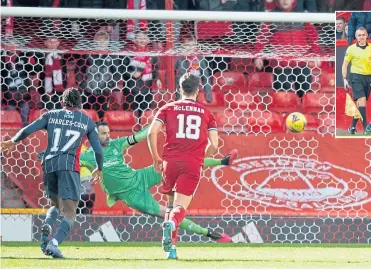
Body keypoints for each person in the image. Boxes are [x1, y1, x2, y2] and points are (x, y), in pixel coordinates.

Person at [76, 122, 236, 242]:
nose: (107, 136)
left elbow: (140, 136)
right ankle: (209, 234)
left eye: (108, 132)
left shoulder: (116, 144)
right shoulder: (87, 157)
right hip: (131, 195)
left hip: (139, 176)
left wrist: (158, 121)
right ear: (94, 136)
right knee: (166, 213)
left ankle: (222, 161)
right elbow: (69, 162)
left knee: (180, 160)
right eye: (103, 133)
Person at [0, 88, 104, 258]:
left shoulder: (51, 115)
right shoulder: (87, 121)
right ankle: (53, 244)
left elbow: (27, 130)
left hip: (48, 165)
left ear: (62, 102)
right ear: (80, 104)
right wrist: (99, 168)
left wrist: (12, 141)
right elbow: (98, 150)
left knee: (56, 206)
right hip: (69, 166)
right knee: (70, 213)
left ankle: (47, 225)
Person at [148, 73, 219, 259]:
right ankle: (171, 225)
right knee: (179, 208)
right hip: (192, 163)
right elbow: (215, 145)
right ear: (198, 91)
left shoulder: (167, 108)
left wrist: (156, 157)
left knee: (170, 205)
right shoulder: (206, 113)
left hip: (169, 162)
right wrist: (203, 156)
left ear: (180, 89)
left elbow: (151, 133)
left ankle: (171, 250)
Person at [342, 27, 371, 135]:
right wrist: (344, 79)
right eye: (359, 35)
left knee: (360, 104)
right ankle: (366, 129)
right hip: (356, 77)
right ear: (356, 37)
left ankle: (352, 127)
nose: (361, 37)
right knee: (362, 100)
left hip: (369, 77)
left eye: (363, 35)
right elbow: (345, 65)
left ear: (367, 36)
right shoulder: (351, 49)